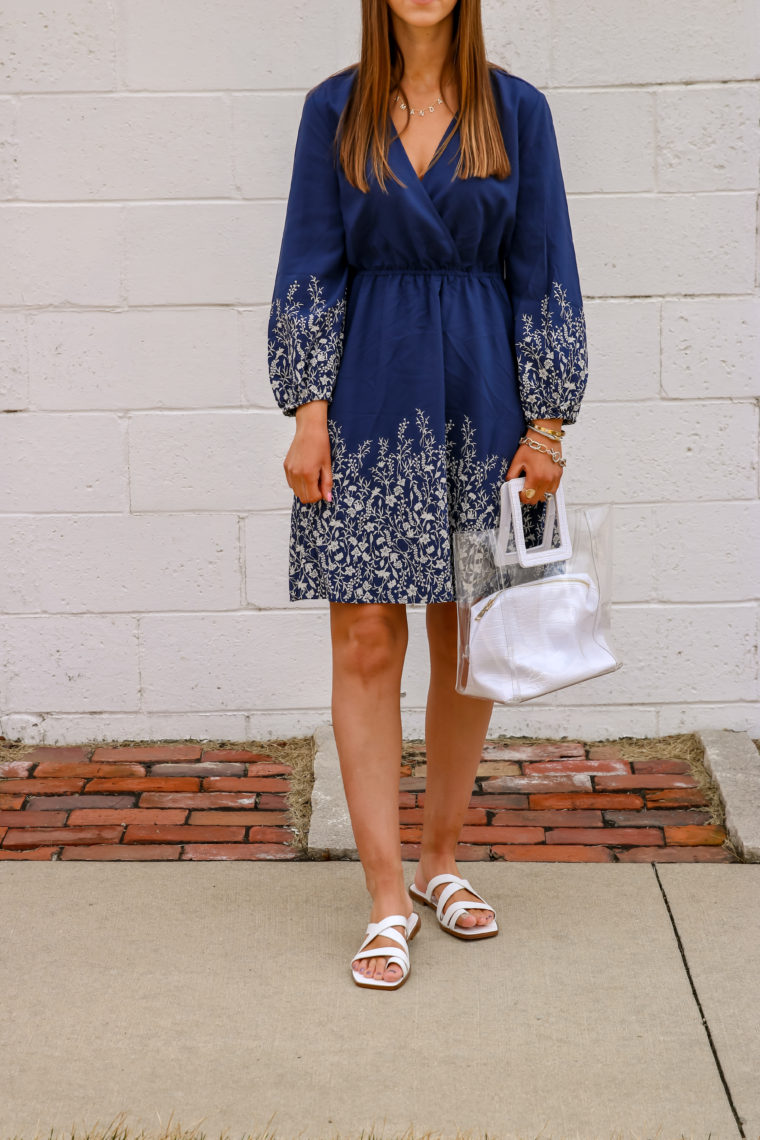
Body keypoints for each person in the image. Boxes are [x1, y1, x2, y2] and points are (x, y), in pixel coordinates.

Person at [267, 0, 588, 990]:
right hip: (366, 397)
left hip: (483, 398)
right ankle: (383, 896)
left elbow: (543, 274)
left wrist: (547, 423)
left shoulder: (516, 112)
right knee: (365, 636)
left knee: (463, 638)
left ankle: (441, 862)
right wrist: (305, 411)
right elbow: (309, 272)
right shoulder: (334, 112)